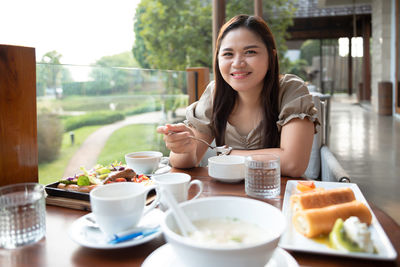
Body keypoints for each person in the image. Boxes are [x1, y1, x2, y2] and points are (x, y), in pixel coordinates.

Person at [157, 14, 318, 177]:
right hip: (227, 195)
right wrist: (184, 148)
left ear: (271, 57)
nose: (238, 63)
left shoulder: (291, 89)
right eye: (228, 54)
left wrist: (225, 154)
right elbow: (185, 162)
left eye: (250, 52)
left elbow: (293, 163)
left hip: (279, 195)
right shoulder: (215, 93)